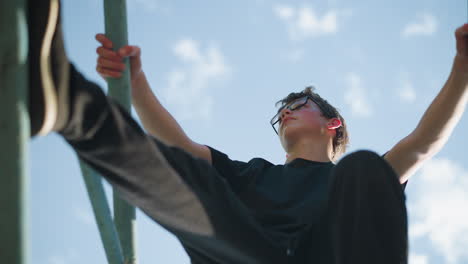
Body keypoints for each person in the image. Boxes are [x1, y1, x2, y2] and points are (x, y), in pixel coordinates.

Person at [27, 0, 468, 263]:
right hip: (250, 257)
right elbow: (177, 145)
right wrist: (136, 83)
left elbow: (422, 141)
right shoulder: (249, 175)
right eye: (281, 114)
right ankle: (66, 100)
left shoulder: (347, 184)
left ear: (333, 123)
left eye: (299, 105)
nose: (288, 114)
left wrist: (463, 69)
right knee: (190, 173)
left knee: (368, 169)